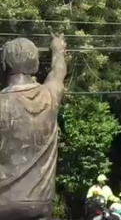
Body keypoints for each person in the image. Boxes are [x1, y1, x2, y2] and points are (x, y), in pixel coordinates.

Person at [0, 35, 67, 220]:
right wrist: (58, 49)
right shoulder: (49, 97)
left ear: (4, 66)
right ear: (36, 66)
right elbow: (58, 72)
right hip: (40, 203)